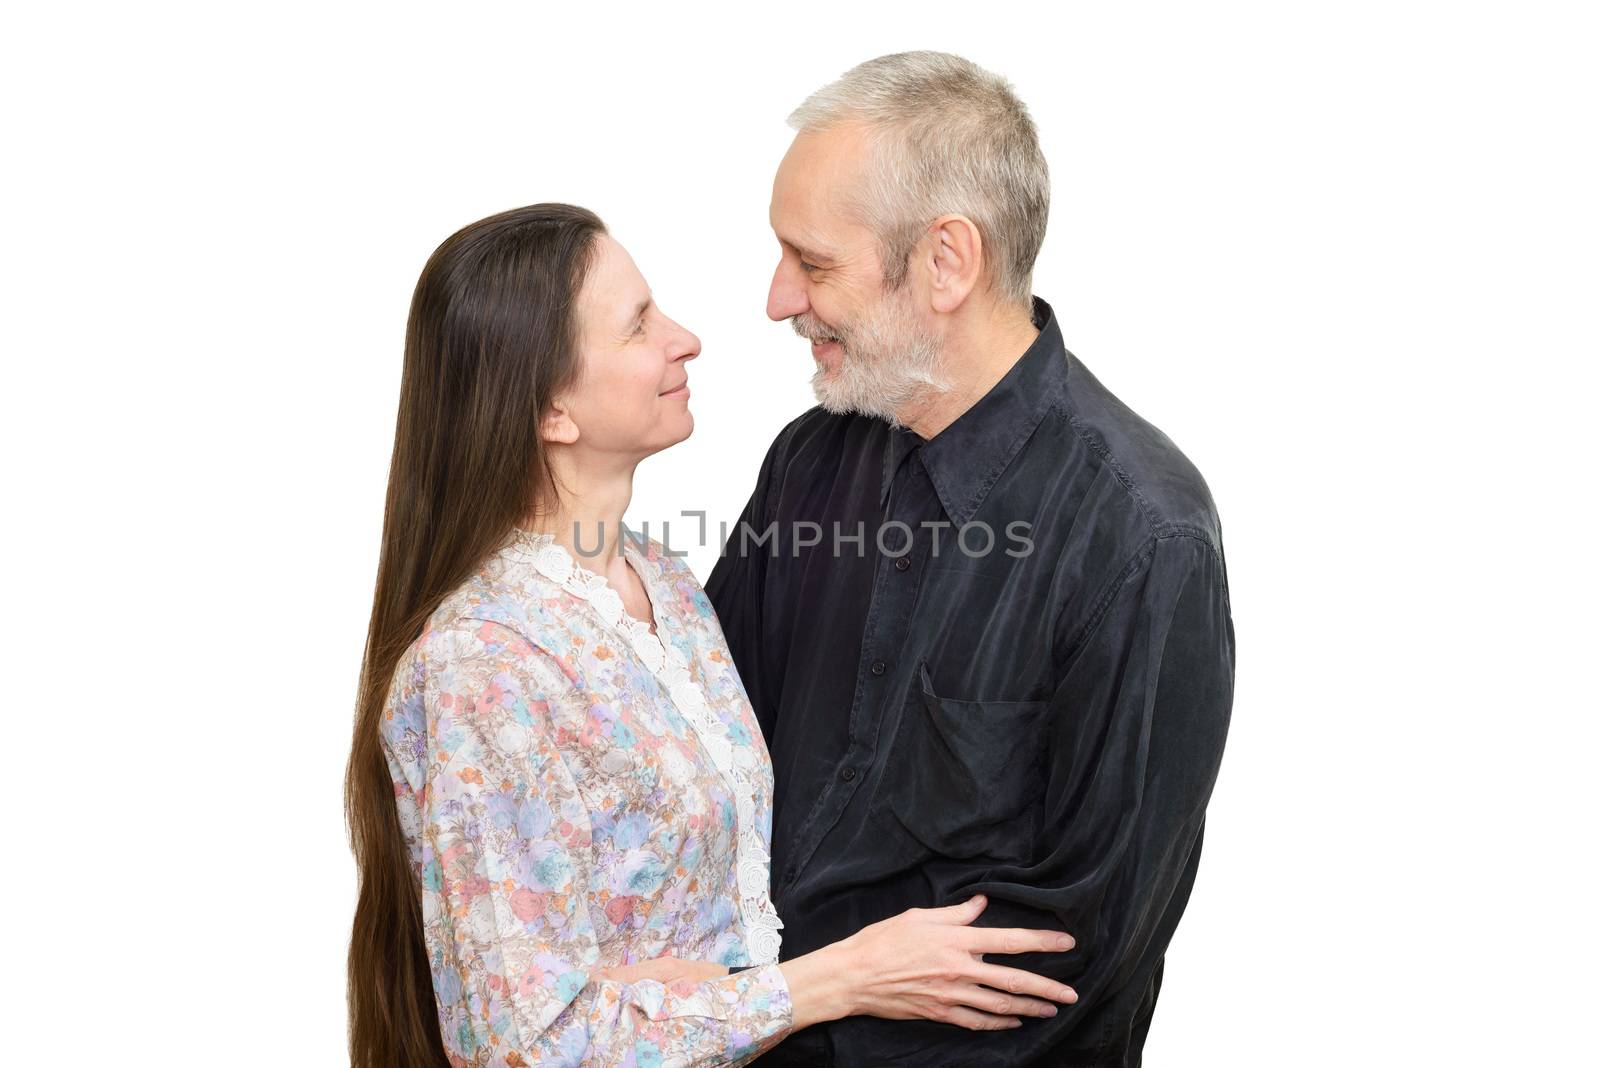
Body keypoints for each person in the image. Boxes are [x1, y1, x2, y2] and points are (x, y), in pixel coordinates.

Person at [343, 203, 1081, 1068]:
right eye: (638, 326)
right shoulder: (484, 663)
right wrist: (841, 978)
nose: (684, 339)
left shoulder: (667, 585)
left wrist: (666, 993)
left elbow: (706, 926)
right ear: (550, 412)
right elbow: (526, 1046)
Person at [704, 52, 1236, 1066]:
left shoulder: (1141, 536)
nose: (778, 299)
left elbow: (1071, 963)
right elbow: (709, 766)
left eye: (813, 264)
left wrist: (774, 1017)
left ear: (947, 262)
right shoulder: (808, 462)